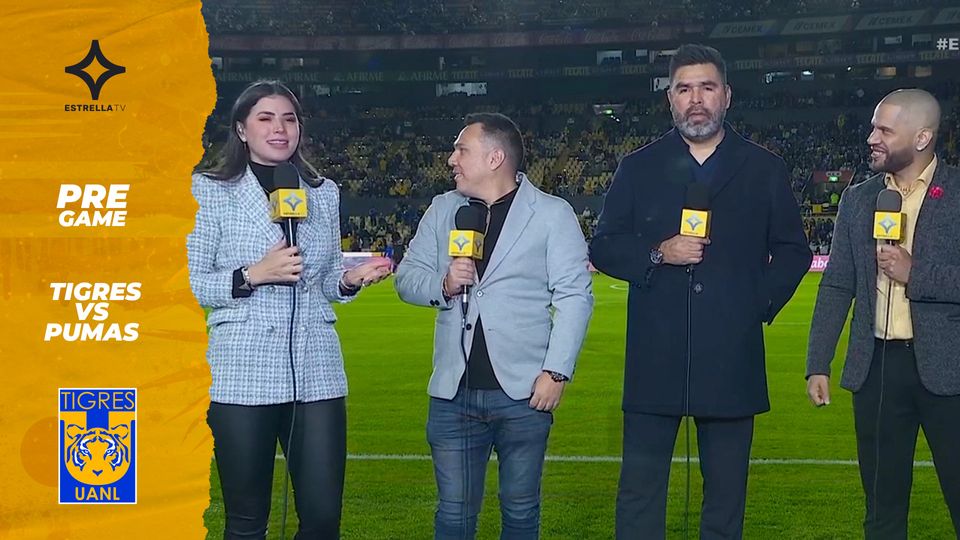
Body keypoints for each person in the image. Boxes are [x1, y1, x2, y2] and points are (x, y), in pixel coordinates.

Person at [589, 44, 811, 539]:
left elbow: (793, 251)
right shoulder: (638, 167)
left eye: (707, 88)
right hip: (655, 356)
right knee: (640, 493)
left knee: (726, 498)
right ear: (669, 98)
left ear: (726, 95)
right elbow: (604, 246)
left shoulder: (763, 168)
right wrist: (657, 252)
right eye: (684, 89)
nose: (696, 99)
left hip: (731, 355)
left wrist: (756, 303)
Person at [187, 80, 392, 539]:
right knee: (247, 521)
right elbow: (191, 282)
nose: (279, 128)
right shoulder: (209, 190)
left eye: (289, 119)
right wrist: (253, 274)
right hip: (241, 371)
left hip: (315, 369)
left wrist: (348, 280)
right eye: (265, 118)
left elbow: (323, 278)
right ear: (241, 129)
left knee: (322, 519)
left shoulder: (322, 191)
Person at [394, 112, 593, 539]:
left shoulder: (551, 214)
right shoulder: (443, 209)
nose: (451, 159)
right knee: (453, 515)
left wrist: (556, 372)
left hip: (523, 395)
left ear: (494, 157)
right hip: (453, 393)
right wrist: (444, 284)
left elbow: (575, 297)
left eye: (461, 150)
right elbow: (407, 279)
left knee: (520, 513)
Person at [806, 88, 960, 538]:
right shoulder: (858, 199)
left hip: (949, 372)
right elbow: (837, 284)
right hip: (876, 370)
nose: (872, 137)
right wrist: (818, 362)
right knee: (882, 509)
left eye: (885, 130)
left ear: (921, 138)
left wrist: (916, 273)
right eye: (874, 127)